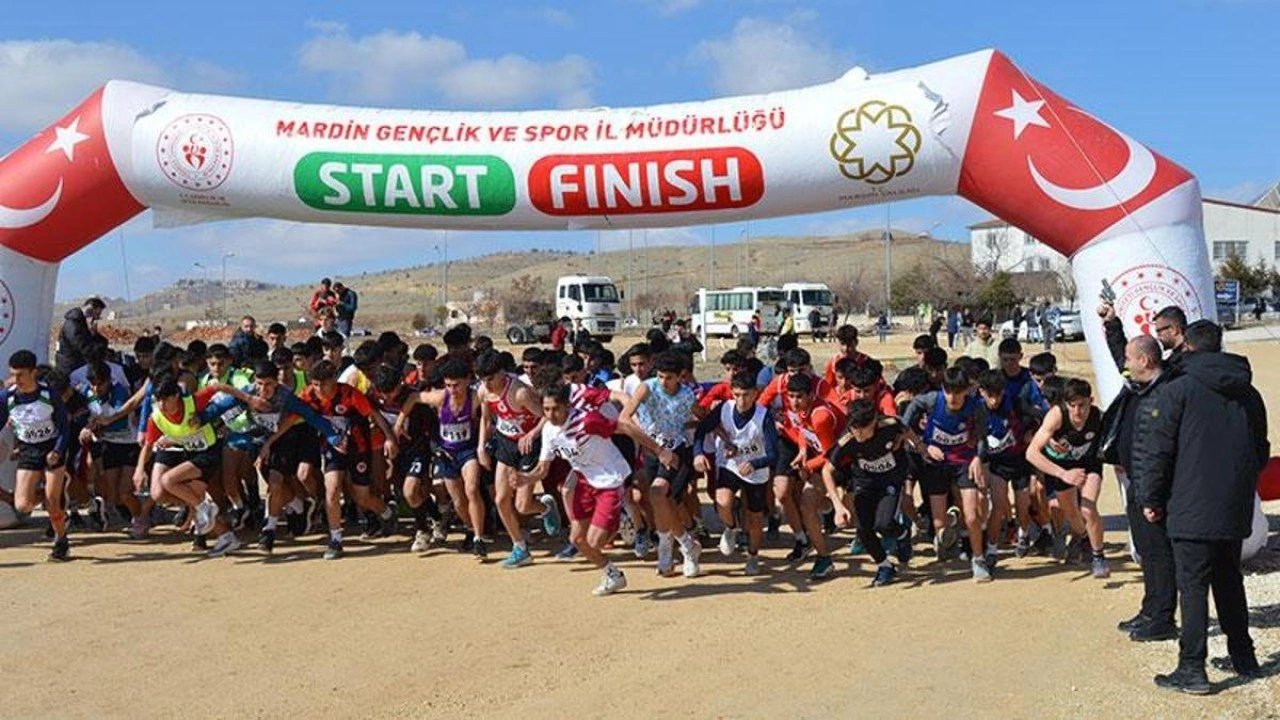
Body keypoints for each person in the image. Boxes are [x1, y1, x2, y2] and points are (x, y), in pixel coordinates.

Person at [1133, 320, 1267, 694]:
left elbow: (1157, 451)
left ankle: (1192, 668)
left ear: (1187, 347)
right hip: (1232, 506)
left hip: (1190, 506)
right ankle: (1244, 656)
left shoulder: (1178, 390)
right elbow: (1261, 450)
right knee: (1228, 579)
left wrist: (1150, 499)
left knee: (1192, 588)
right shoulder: (1248, 392)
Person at [519, 383, 669, 596]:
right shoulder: (549, 431)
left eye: (555, 409)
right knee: (577, 540)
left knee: (595, 541)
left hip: (610, 480)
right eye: (546, 410)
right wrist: (525, 478)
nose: (551, 415)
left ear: (567, 406)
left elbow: (624, 428)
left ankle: (621, 518)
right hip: (585, 481)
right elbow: (542, 469)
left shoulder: (587, 421)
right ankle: (613, 574)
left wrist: (659, 450)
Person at [475, 349, 561, 569]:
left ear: (502, 373)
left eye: (491, 379)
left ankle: (544, 508)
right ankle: (520, 547)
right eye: (483, 380)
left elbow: (546, 415)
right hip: (506, 443)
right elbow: (486, 419)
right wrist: (481, 448)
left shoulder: (520, 393)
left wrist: (532, 434)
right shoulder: (483, 392)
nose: (487, 384)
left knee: (522, 505)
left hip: (529, 446)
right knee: (501, 499)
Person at [818, 399, 914, 587]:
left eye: (863, 428)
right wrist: (838, 506)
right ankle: (885, 566)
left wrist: (919, 446)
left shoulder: (889, 424)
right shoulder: (847, 439)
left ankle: (902, 534)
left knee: (884, 524)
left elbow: (905, 429)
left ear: (874, 422)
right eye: (854, 427)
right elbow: (826, 471)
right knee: (863, 529)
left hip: (890, 480)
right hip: (864, 483)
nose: (857, 433)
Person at [693, 371, 778, 576]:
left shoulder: (764, 416)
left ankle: (753, 556)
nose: (741, 400)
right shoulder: (725, 408)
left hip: (756, 470)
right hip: (730, 464)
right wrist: (698, 454)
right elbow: (702, 429)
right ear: (732, 393)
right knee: (722, 502)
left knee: (755, 518)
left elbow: (774, 454)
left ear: (756, 394)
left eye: (746, 395)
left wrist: (755, 463)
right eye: (737, 394)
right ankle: (731, 527)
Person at [1025, 378, 1109, 578]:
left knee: (1088, 508)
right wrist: (1063, 474)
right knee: (1071, 514)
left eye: (1082, 405)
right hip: (1062, 467)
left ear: (1091, 400)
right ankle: (1082, 538)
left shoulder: (1099, 417)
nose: (1078, 412)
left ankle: (1098, 556)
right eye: (1073, 406)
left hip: (1089, 466)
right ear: (1065, 404)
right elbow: (1032, 453)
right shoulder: (1056, 416)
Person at [1, 351, 72, 560]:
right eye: (13, 375)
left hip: (51, 449)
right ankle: (58, 506)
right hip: (28, 450)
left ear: (34, 372)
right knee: (22, 506)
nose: (17, 380)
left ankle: (61, 540)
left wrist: (58, 451)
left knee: (52, 502)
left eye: (21, 375)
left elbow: (63, 427)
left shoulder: (49, 395)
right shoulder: (7, 397)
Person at [56, 297, 105, 374]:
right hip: (70, 367)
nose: (96, 318)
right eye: (97, 314)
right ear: (90, 309)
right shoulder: (73, 324)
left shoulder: (80, 323)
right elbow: (82, 347)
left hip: (77, 365)